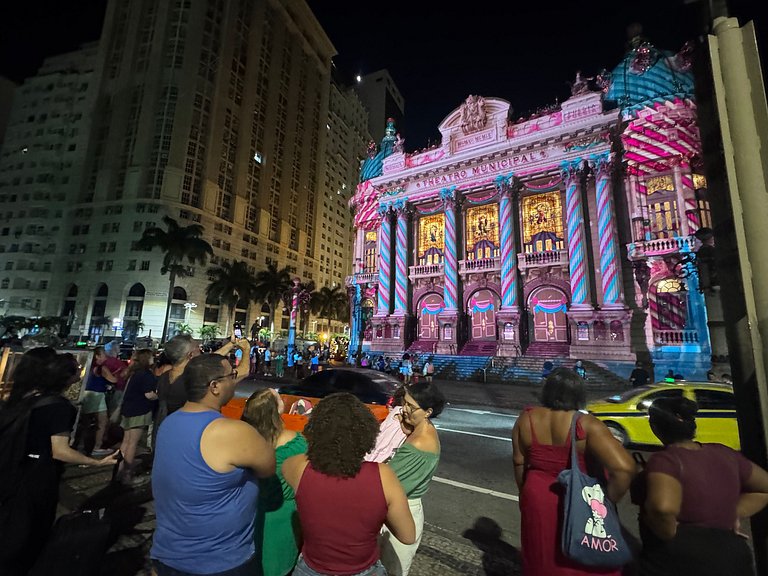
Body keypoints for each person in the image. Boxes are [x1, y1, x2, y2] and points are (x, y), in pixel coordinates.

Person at [151, 345, 276, 576]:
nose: (234, 380)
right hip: (221, 561)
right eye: (231, 375)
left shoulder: (169, 423)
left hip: (169, 556)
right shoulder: (231, 432)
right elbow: (268, 467)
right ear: (214, 386)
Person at [0, 348, 118, 576]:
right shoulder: (57, 406)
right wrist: (96, 463)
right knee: (28, 535)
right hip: (36, 479)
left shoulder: (15, 399)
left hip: (10, 471)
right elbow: (60, 451)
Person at [511, 368, 636, 576]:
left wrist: (524, 493)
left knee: (542, 555)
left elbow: (518, 461)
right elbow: (624, 468)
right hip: (578, 497)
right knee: (581, 559)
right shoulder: (586, 424)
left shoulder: (527, 418)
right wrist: (608, 499)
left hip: (537, 496)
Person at [282, 393, 416, 576]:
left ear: (316, 430)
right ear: (366, 433)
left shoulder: (296, 467)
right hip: (364, 570)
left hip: (311, 569)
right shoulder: (383, 476)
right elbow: (407, 535)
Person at [637, 397, 768, 576]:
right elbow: (763, 487)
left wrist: (667, 534)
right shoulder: (725, 453)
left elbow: (662, 509)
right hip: (733, 556)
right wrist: (732, 513)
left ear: (654, 427)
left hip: (684, 561)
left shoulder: (665, 460)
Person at [380, 382, 445, 576]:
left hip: (402, 511)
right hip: (398, 506)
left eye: (411, 406)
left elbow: (388, 484)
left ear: (428, 412)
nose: (405, 409)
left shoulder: (420, 444)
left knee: (392, 570)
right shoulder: (420, 429)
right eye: (404, 402)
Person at [242, 388, 308, 576]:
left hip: (249, 511)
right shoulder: (296, 443)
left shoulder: (243, 442)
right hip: (283, 516)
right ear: (276, 410)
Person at [116, 349, 157, 486]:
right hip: (140, 410)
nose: (154, 358)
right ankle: (127, 476)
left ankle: (119, 471)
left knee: (126, 442)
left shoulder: (134, 373)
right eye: (152, 357)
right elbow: (149, 395)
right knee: (132, 443)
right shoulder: (146, 375)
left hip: (128, 410)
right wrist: (159, 396)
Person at [154, 334, 200, 438]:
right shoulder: (192, 379)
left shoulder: (165, 377)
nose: (200, 349)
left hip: (164, 430)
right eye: (197, 347)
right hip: (185, 432)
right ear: (190, 355)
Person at [80, 346, 113, 456]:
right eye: (103, 354)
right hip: (97, 395)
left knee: (86, 423)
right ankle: (97, 447)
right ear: (97, 356)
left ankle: (82, 446)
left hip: (85, 394)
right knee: (102, 422)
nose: (106, 356)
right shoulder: (101, 368)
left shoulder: (88, 366)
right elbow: (113, 379)